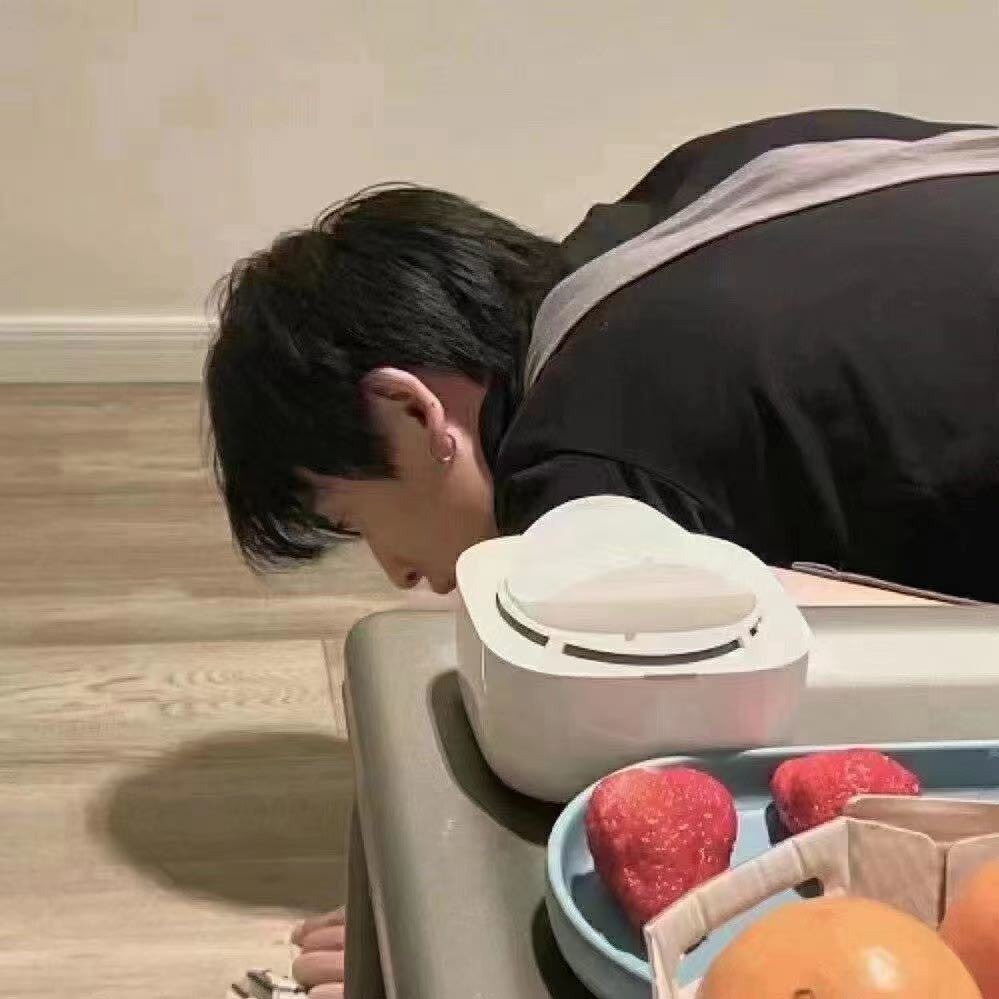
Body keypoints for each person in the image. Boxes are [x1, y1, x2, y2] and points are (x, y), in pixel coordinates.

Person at [205, 109, 999, 996]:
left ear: (411, 411)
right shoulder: (655, 211)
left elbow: (608, 840)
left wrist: (425, 922)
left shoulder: (583, 476)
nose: (399, 573)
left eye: (356, 521)